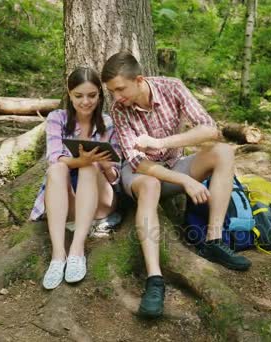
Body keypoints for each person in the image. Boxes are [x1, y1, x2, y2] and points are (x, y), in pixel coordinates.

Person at [101, 51, 251, 318]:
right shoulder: (118, 110)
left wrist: (161, 143)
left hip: (173, 162)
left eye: (120, 89)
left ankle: (213, 241)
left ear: (139, 80)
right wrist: (184, 180)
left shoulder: (172, 87)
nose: (116, 97)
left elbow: (209, 129)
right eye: (112, 91)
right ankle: (154, 279)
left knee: (224, 152)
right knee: (150, 185)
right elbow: (138, 164)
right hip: (141, 175)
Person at [30, 67, 122, 290]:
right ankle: (58, 255)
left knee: (90, 168)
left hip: (100, 200)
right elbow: (54, 158)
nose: (86, 102)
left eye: (92, 95)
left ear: (99, 95)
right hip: (68, 201)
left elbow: (116, 177)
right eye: (79, 96)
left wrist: (108, 166)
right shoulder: (57, 119)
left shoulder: (108, 123)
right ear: (69, 94)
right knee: (56, 169)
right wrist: (80, 161)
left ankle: (77, 250)